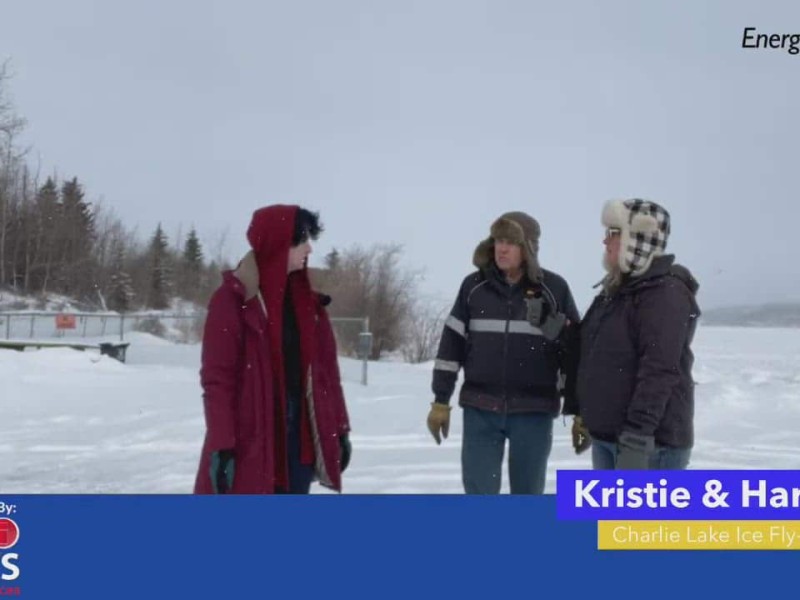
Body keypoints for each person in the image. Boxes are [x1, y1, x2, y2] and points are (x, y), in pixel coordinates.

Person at [194, 204, 351, 494]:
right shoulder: (233, 301)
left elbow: (327, 372)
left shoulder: (310, 302)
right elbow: (218, 380)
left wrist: (339, 428)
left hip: (299, 441)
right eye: (302, 240)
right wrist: (221, 444)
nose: (309, 248)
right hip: (251, 440)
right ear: (280, 242)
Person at [427, 211, 580, 494]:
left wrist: (579, 408)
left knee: (527, 495)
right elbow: (451, 346)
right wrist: (440, 400)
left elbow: (575, 353)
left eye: (511, 241)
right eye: (498, 240)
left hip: (534, 412)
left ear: (529, 248)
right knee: (479, 495)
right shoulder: (474, 288)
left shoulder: (554, 289)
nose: (502, 248)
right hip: (480, 409)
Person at [564, 199, 700, 470]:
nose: (605, 242)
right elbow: (593, 354)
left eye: (613, 233)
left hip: (649, 446)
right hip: (609, 438)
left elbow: (659, 370)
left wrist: (638, 436)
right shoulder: (615, 291)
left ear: (636, 238)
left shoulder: (663, 294)